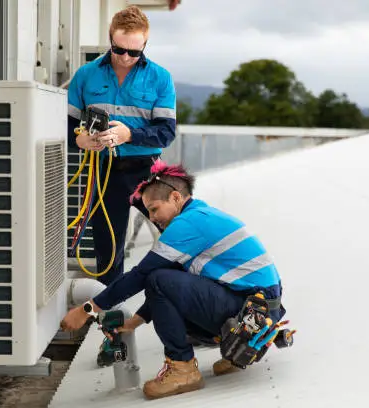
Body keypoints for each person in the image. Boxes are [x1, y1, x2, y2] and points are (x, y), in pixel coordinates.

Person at [61, 160, 286, 400]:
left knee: (157, 279)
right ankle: (235, 350)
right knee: (165, 280)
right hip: (259, 311)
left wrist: (87, 309)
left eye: (155, 209)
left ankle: (182, 368)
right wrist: (132, 324)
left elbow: (144, 276)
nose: (152, 217)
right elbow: (174, 287)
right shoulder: (200, 215)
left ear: (176, 198)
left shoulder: (187, 223)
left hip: (251, 310)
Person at [67, 5, 176, 286]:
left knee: (177, 238)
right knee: (108, 253)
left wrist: (130, 135)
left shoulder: (160, 77)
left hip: (146, 171)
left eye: (134, 52)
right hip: (102, 172)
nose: (126, 58)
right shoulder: (85, 74)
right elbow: (65, 125)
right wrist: (79, 139)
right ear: (110, 39)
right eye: (120, 50)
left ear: (145, 45)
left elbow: (166, 132)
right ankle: (110, 320)